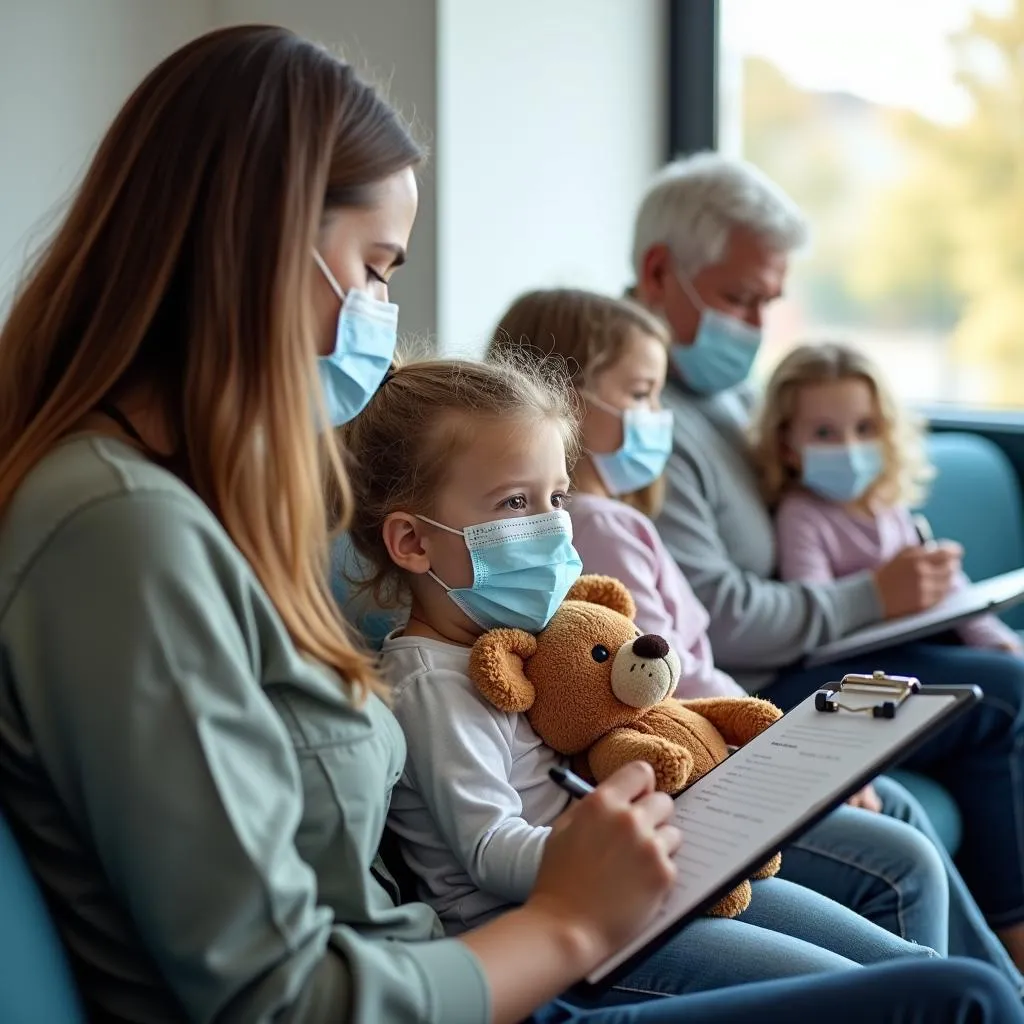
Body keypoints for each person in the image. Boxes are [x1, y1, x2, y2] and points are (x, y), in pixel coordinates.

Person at [0, 26, 1020, 1024]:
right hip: (481, 967)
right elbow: (283, 996)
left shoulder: (187, 507)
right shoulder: (118, 531)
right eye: (376, 267)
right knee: (959, 997)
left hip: (459, 957)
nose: (379, 313)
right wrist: (575, 918)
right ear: (256, 249)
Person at [343, 353, 949, 997]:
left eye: (556, 498)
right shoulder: (433, 684)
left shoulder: (522, 641)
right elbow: (491, 852)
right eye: (515, 503)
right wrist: (623, 838)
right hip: (555, 928)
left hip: (639, 882)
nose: (551, 527)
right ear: (412, 542)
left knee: (909, 970)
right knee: (872, 995)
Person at [488, 285, 1024, 986]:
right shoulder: (596, 527)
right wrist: (790, 751)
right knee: (900, 832)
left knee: (898, 807)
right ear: (566, 400)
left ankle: (987, 992)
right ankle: (986, 993)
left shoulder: (615, 519)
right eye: (644, 396)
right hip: (698, 757)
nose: (660, 421)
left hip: (714, 737)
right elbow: (656, 680)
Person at [629, 149, 1024, 966]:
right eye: (742, 298)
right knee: (1006, 698)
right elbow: (721, 620)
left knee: (1001, 697)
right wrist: (871, 596)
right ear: (661, 271)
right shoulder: (642, 425)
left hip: (815, 655)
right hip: (764, 686)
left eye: (769, 301)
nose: (756, 325)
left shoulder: (733, 399)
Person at [753, 341, 1022, 654]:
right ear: (786, 445)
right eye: (824, 433)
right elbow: (820, 615)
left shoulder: (887, 504)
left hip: (929, 639)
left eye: (865, 428)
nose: (849, 447)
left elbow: (948, 587)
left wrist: (997, 640)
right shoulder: (800, 516)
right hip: (876, 662)